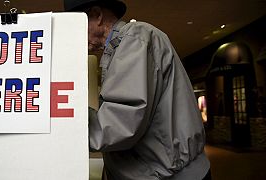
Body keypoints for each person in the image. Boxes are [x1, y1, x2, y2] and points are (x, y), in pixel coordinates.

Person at [64, 0, 211, 179]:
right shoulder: (121, 46)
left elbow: (121, 123)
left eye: (76, 25)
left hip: (169, 174)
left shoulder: (135, 37)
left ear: (97, 15)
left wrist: (63, 123)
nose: (74, 35)